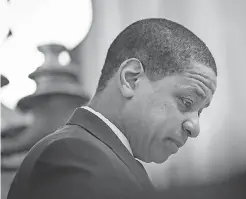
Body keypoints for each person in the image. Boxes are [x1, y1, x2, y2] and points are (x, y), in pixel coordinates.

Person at [7, 18, 217, 199]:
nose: (195, 127)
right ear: (131, 79)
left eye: (200, 111)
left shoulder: (100, 156)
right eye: (187, 102)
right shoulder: (74, 154)